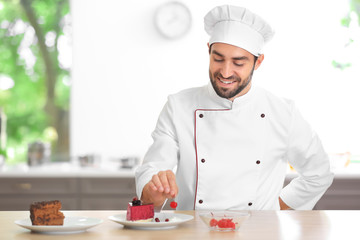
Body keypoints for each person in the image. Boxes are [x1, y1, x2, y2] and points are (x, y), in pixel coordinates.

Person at [135, 5, 334, 210]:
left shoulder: (283, 112)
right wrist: (153, 190)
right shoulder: (179, 106)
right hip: (193, 232)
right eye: (218, 59)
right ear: (208, 51)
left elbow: (318, 174)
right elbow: (153, 167)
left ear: (258, 62)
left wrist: (277, 210)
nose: (226, 72)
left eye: (238, 62)